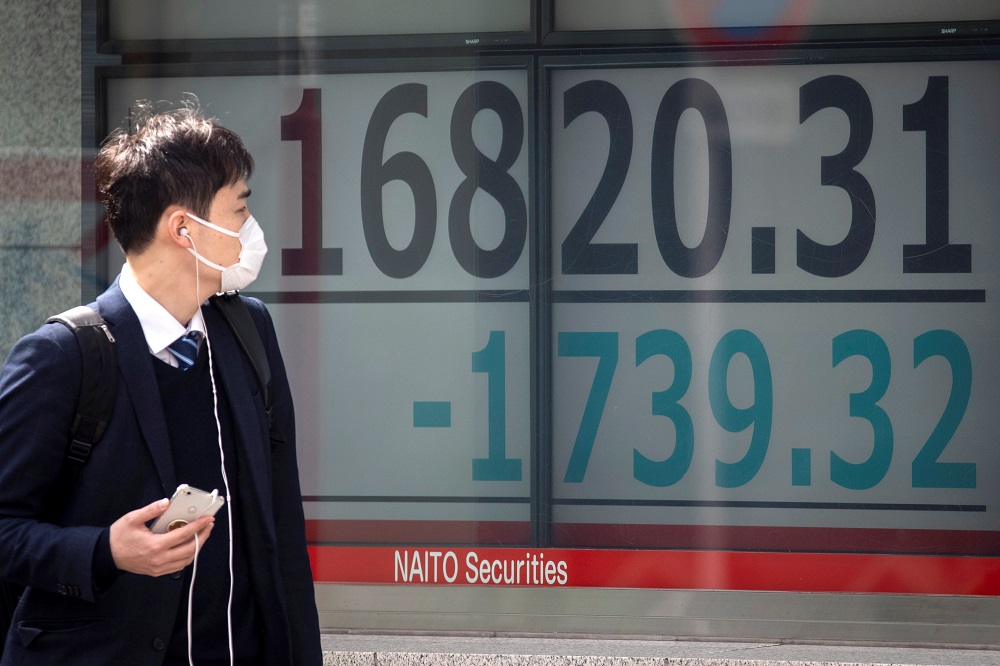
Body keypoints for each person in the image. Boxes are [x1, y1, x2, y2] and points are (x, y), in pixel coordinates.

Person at [0, 103, 322, 664]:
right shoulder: (63, 357)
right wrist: (104, 552)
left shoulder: (249, 332)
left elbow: (281, 530)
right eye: (240, 208)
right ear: (183, 228)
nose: (251, 230)